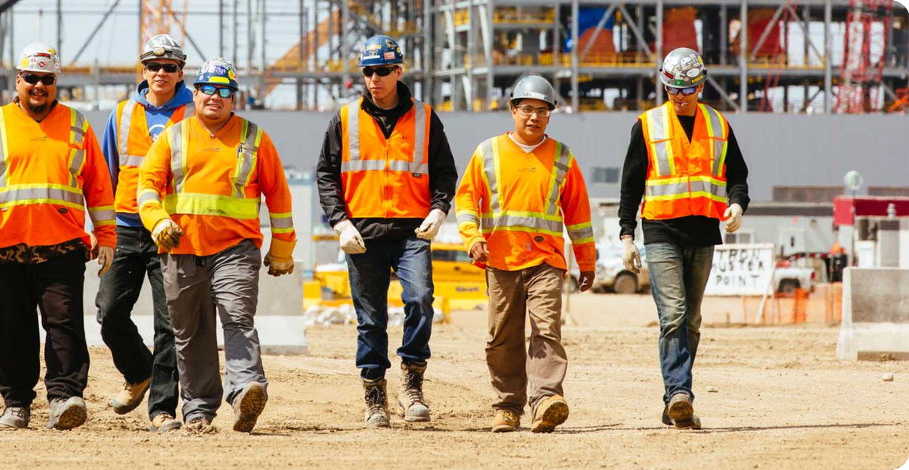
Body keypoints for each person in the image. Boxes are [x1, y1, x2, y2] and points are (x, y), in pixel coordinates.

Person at [0, 42, 116, 430]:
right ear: (18, 80)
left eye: (47, 79)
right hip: (4, 249)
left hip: (61, 247)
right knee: (11, 329)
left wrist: (107, 236)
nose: (39, 86)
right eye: (31, 78)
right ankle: (16, 403)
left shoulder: (77, 125)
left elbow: (98, 185)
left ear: (55, 82)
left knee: (64, 326)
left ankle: (65, 398)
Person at [137, 57, 297, 433]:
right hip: (181, 249)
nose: (215, 96)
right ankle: (197, 411)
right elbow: (146, 186)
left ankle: (245, 391)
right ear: (194, 93)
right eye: (207, 88)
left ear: (234, 98)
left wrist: (282, 249)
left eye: (224, 90)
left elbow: (279, 196)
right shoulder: (173, 137)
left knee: (237, 318)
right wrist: (158, 222)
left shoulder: (254, 138)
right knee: (190, 333)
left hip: (236, 249)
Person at [315, 34, 458, 429]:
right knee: (370, 318)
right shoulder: (344, 119)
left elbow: (445, 172)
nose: (374, 79)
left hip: (412, 229)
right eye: (367, 72)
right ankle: (374, 393)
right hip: (362, 230)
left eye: (381, 71)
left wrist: (440, 209)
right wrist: (339, 220)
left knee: (420, 298)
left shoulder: (426, 118)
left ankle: (412, 381)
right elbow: (326, 173)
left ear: (399, 71)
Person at [618, 47, 750, 430]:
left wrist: (738, 205)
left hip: (704, 233)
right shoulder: (647, 125)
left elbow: (737, 175)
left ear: (700, 85)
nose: (679, 96)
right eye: (672, 88)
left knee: (691, 320)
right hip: (661, 231)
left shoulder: (719, 125)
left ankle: (676, 400)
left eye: (687, 89)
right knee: (673, 314)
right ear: (664, 85)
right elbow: (630, 186)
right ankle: (680, 392)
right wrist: (628, 235)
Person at [455, 75, 595, 433]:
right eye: (527, 109)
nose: (534, 117)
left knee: (546, 330)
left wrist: (587, 262)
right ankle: (507, 406)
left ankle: (546, 399)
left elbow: (578, 215)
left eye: (542, 111)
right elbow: (467, 199)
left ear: (550, 115)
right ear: (513, 110)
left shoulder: (562, 156)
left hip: (546, 260)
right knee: (503, 336)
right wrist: (471, 238)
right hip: (500, 260)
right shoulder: (488, 152)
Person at [96, 34, 190, 433]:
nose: (161, 73)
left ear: (180, 72)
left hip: (171, 231)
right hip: (125, 228)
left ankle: (162, 409)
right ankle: (139, 371)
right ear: (144, 71)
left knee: (169, 324)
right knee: (109, 312)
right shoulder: (121, 115)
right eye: (154, 66)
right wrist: (101, 232)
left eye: (169, 67)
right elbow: (105, 176)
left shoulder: (193, 114)